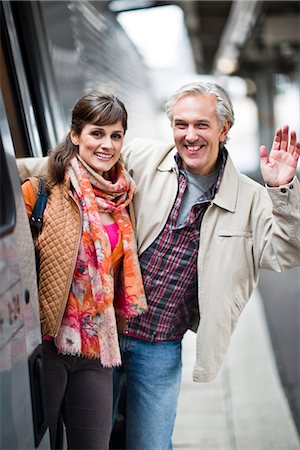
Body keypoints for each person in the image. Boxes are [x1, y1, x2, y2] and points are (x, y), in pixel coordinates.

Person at [18, 82, 300, 450]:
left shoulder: (250, 198)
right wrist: (10, 172)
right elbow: (64, 170)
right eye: (181, 125)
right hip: (105, 332)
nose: (190, 135)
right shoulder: (142, 157)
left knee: (151, 444)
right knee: (88, 438)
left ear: (224, 129)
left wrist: (282, 190)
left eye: (202, 125)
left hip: (160, 347)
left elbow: (286, 251)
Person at [21, 92, 147, 450]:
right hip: (44, 347)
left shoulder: (124, 197)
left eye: (116, 135)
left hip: (97, 348)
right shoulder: (40, 191)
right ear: (75, 135)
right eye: (97, 133)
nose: (107, 144)